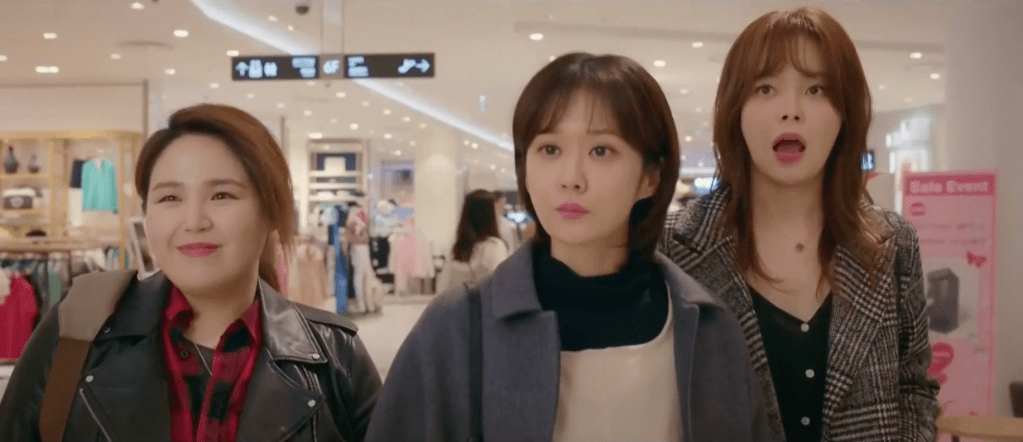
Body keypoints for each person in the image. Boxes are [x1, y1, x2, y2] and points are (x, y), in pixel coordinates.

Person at [366, 52, 771, 441]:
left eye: (601, 150)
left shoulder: (707, 329)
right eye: (550, 150)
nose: (571, 178)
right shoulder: (456, 328)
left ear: (651, 176)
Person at [0, 104, 382, 441]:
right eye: (170, 197)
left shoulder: (335, 357)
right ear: (147, 217)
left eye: (222, 195)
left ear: (270, 211)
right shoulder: (78, 329)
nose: (194, 220)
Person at [659, 7, 940, 442]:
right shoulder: (673, 247)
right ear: (735, 109)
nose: (791, 111)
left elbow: (914, 386)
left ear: (845, 113)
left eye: (815, 89)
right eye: (765, 89)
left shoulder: (893, 244)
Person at [435, 189, 509, 293]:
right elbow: (501, 287)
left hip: (455, 302)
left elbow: (442, 290)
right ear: (491, 215)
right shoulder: (495, 246)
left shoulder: (456, 250)